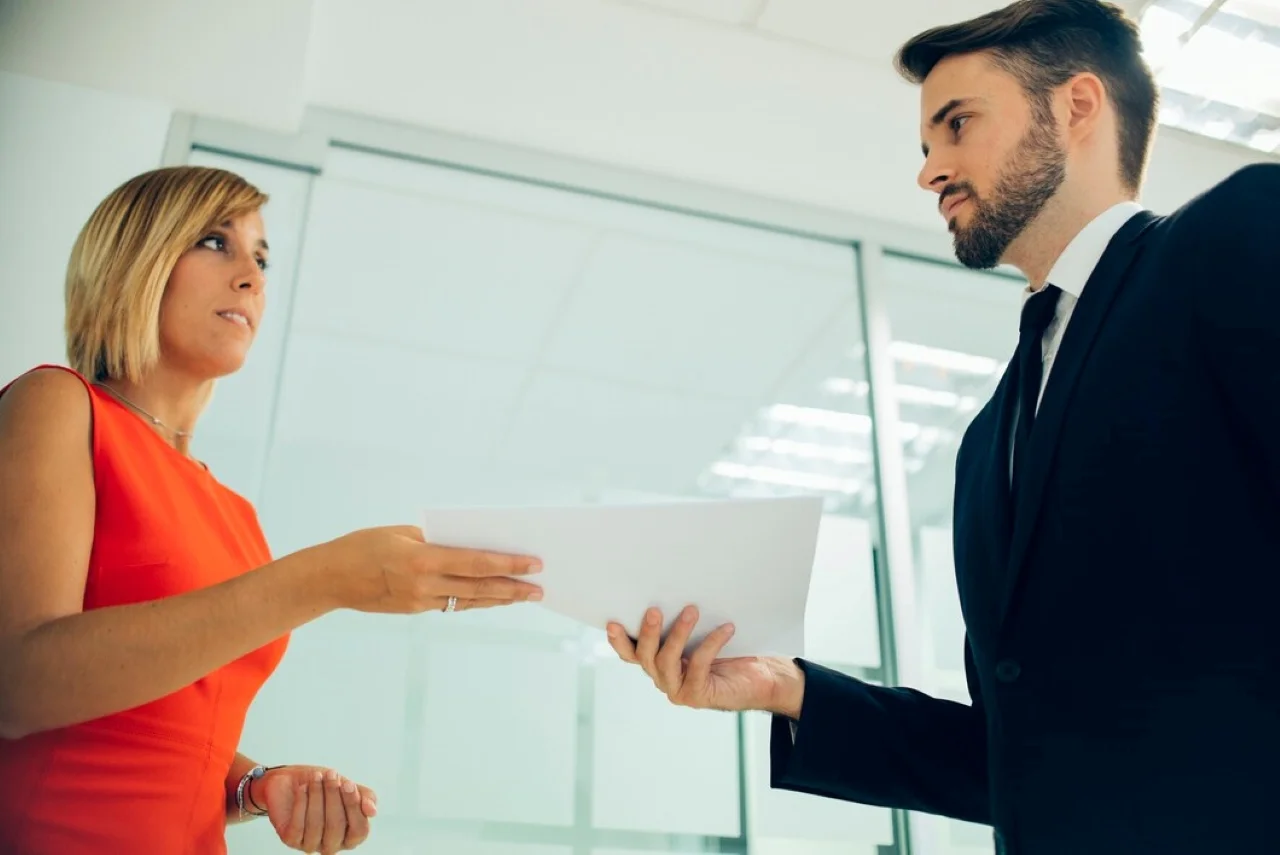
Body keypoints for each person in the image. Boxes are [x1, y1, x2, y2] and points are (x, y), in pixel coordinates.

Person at [606, 1, 1280, 853]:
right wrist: (785, 688)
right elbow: (1012, 757)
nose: (931, 172)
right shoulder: (987, 442)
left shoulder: (1238, 238)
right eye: (927, 147)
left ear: (1076, 107)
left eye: (957, 126)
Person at [0, 166, 545, 854]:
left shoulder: (237, 515)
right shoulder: (60, 404)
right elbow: (18, 684)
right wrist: (320, 580)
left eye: (261, 256)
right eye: (213, 241)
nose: (252, 277)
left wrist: (254, 783)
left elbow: (161, 724)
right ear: (133, 257)